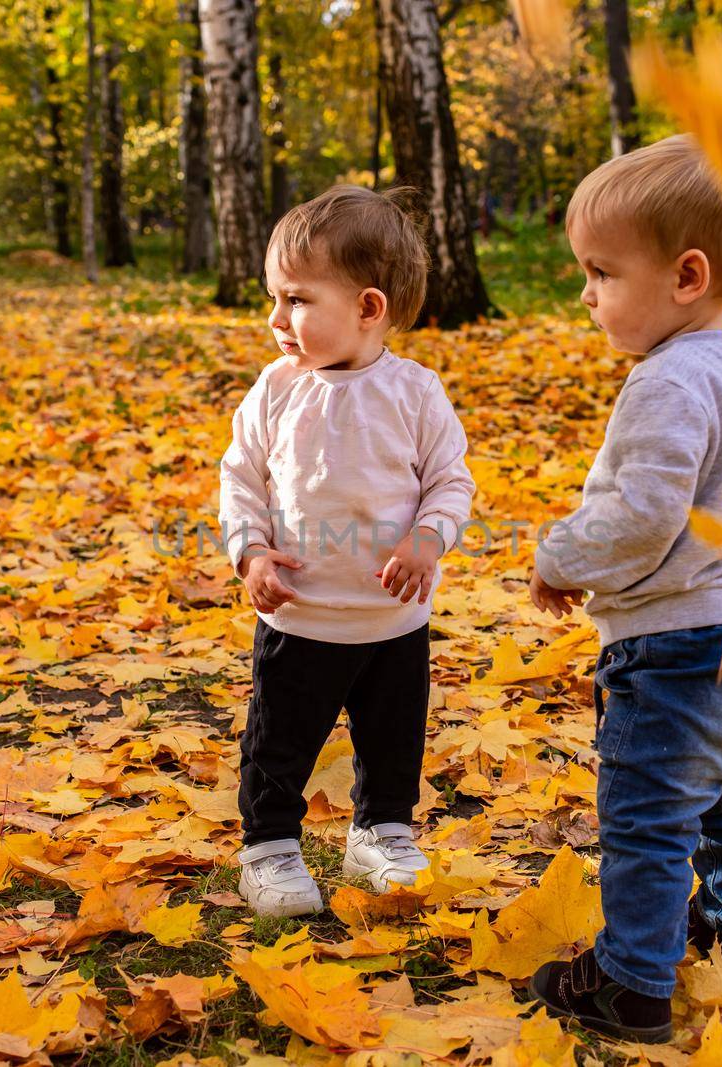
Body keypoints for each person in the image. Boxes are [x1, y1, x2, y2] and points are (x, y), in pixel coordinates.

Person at [525, 135, 722, 1042]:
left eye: (601, 273)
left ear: (686, 276)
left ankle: (632, 979)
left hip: (678, 644)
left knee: (644, 812)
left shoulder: (667, 381)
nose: (588, 293)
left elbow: (644, 515)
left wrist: (562, 557)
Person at [217, 185, 476, 918]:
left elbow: (450, 483)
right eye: (274, 298)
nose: (277, 318)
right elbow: (240, 478)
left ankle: (382, 831)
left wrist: (428, 539)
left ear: (368, 307)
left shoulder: (415, 394)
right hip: (300, 616)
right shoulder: (274, 391)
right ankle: (268, 848)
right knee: (281, 741)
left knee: (392, 738)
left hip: (394, 618)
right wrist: (252, 554)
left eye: (296, 299)